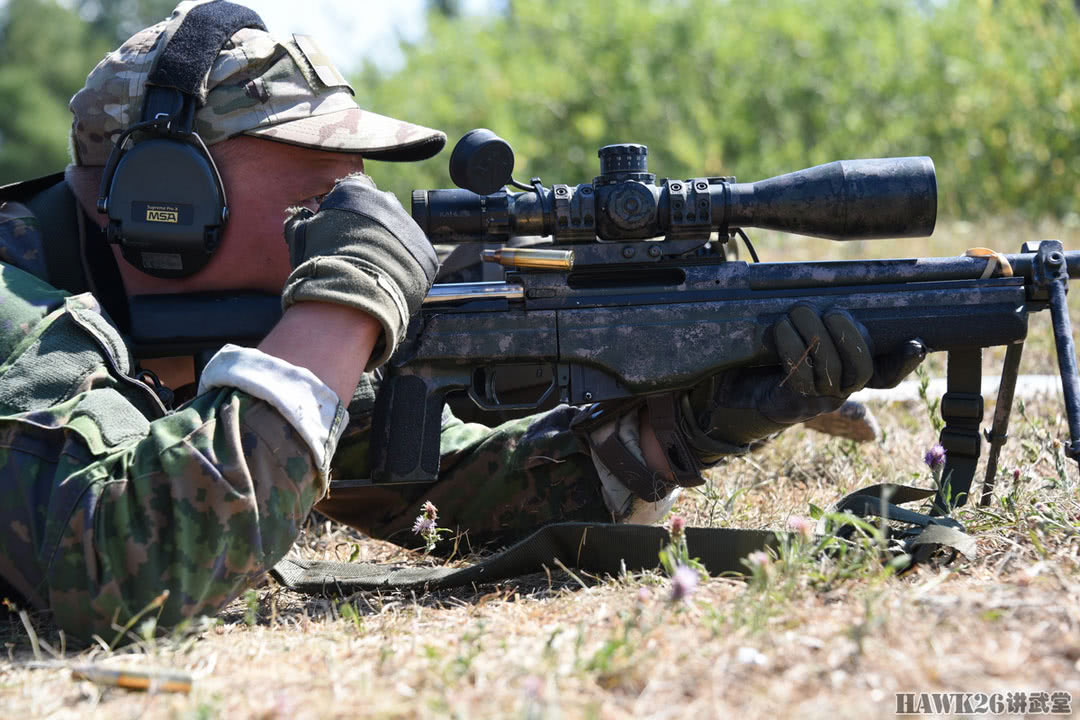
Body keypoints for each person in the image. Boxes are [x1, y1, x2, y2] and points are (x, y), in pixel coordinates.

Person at [0, 1, 923, 641]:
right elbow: (130, 570)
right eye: (321, 179)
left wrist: (693, 424)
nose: (359, 205)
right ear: (166, 194)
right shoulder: (16, 307)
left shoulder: (205, 334)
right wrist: (348, 296)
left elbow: (470, 499)